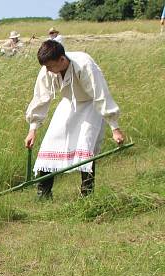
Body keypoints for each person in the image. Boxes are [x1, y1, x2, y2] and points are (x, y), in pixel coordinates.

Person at [24, 41, 125, 199]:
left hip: (91, 106)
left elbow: (100, 95)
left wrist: (115, 127)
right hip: (69, 103)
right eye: (46, 67)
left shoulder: (84, 65)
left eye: (50, 66)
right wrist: (33, 128)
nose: (47, 70)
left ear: (62, 60)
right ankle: (43, 194)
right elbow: (41, 98)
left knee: (86, 146)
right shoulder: (47, 69)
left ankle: (87, 195)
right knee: (51, 142)